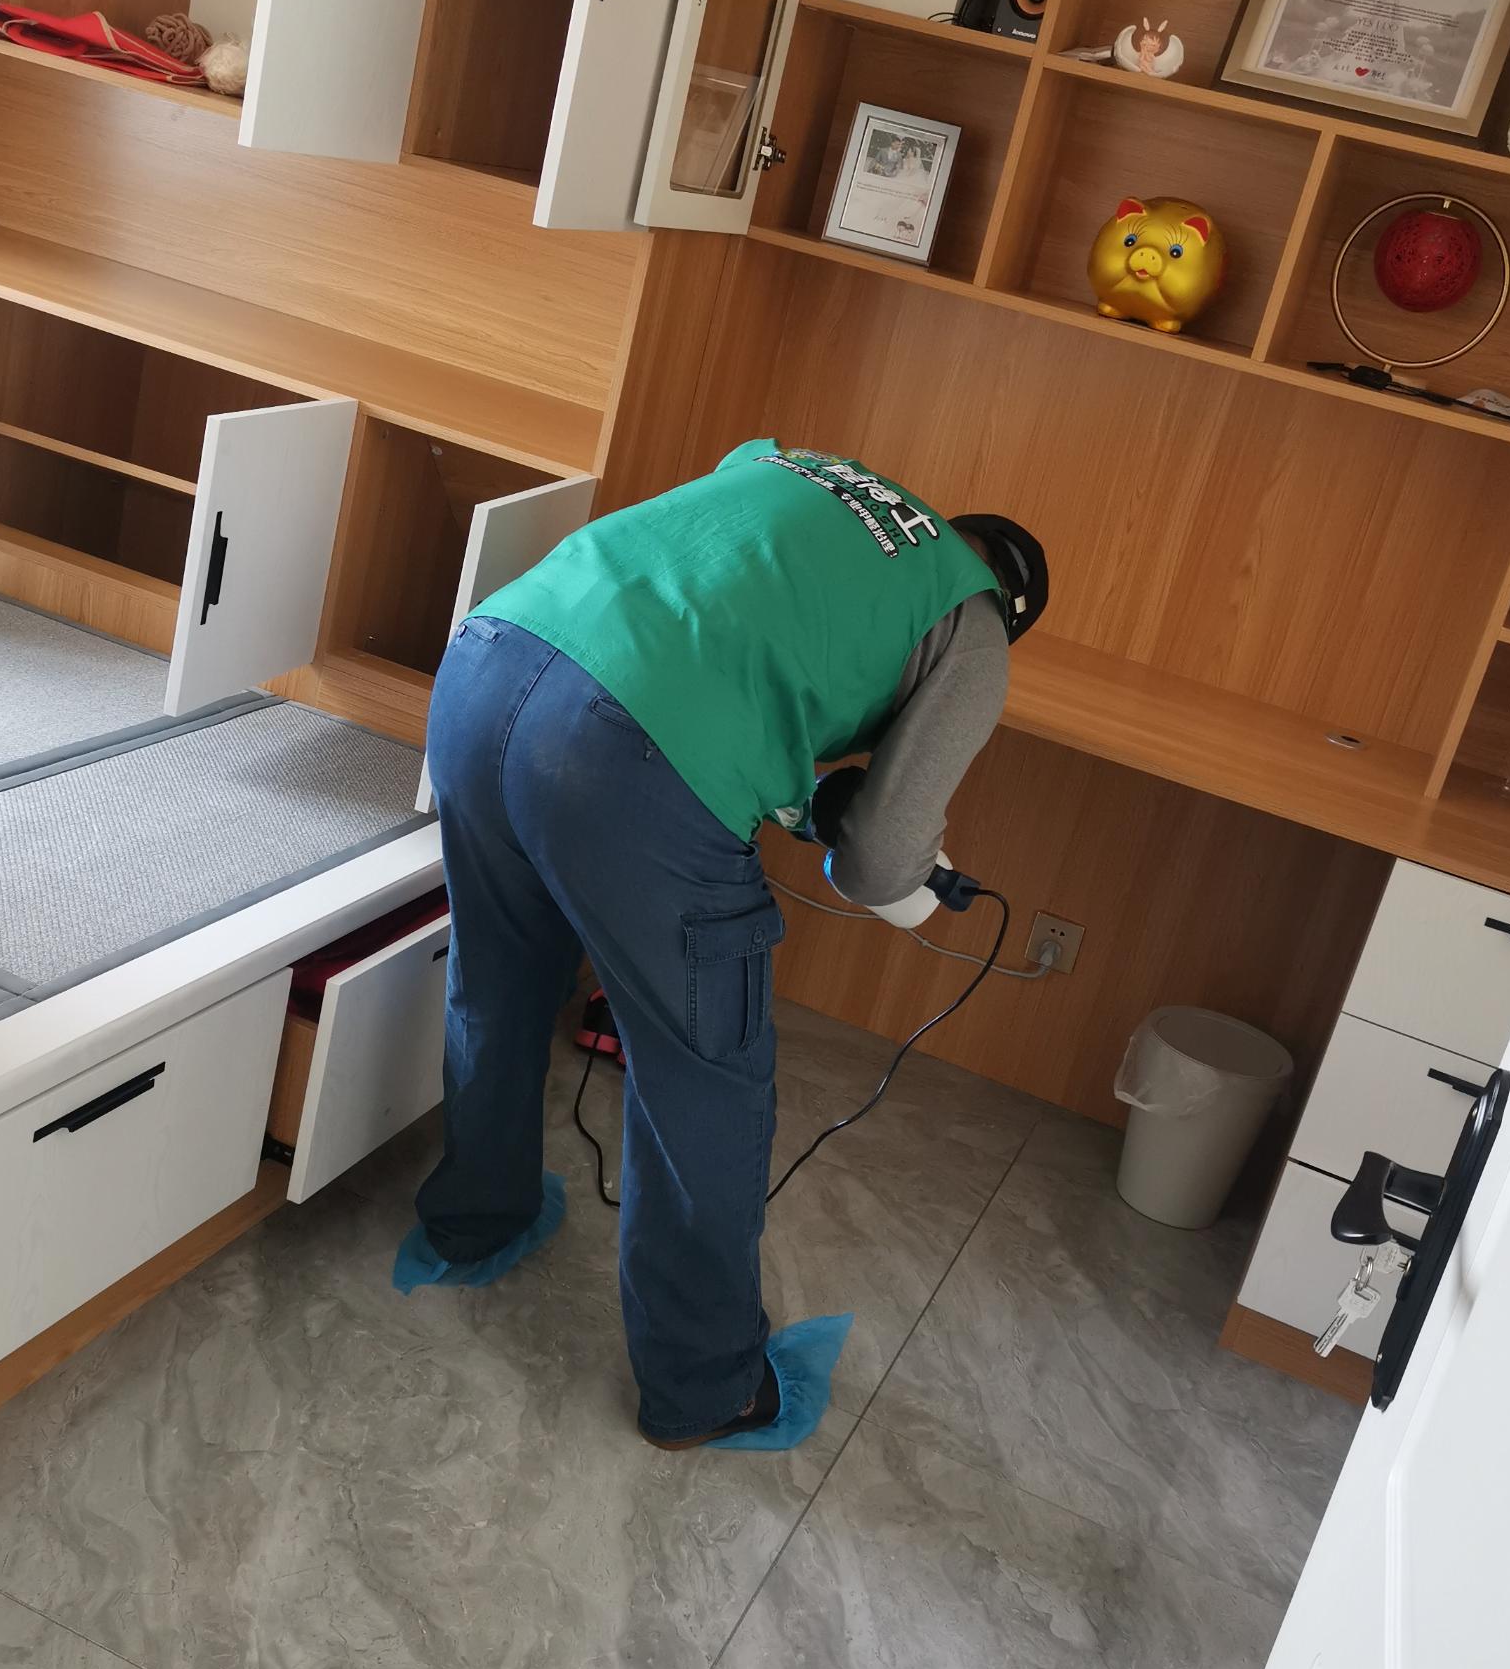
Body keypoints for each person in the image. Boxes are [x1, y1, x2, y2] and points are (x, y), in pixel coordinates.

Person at [399, 438, 1048, 1451]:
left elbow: (717, 639)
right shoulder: (976, 629)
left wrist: (796, 787)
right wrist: (889, 856)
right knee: (706, 1078)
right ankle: (705, 1387)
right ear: (1008, 602)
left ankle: (474, 1218)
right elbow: (879, 865)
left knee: (499, 979)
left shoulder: (793, 467)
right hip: (622, 756)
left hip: (488, 661)